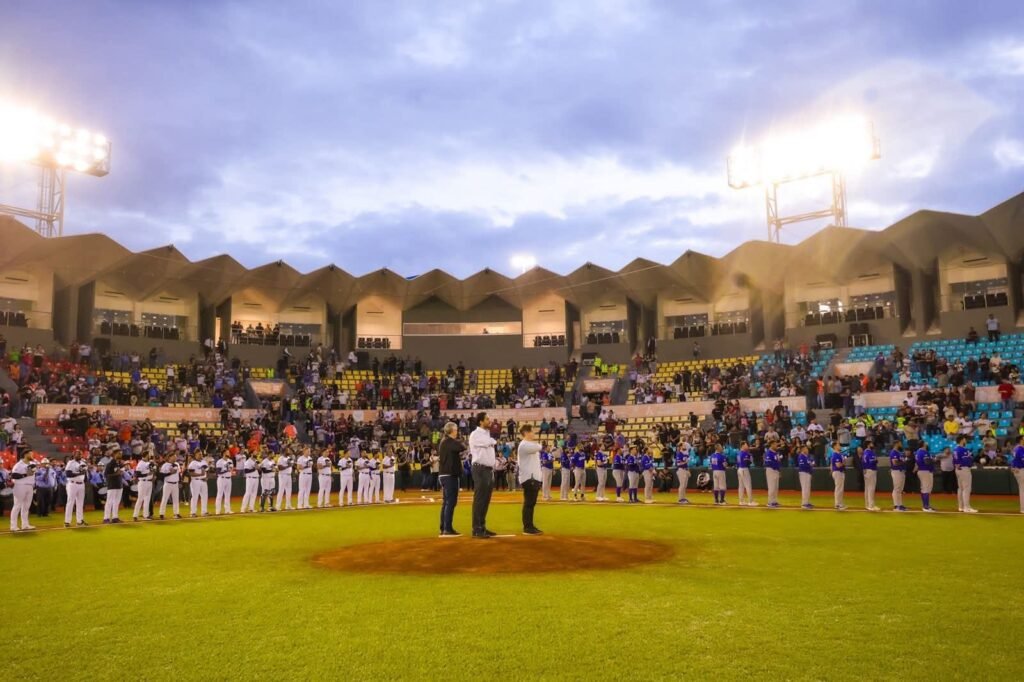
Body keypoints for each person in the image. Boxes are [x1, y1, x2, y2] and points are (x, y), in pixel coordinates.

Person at [468, 412, 497, 539]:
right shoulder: (475, 434)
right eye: (487, 419)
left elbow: (492, 442)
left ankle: (482, 526)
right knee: (480, 499)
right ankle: (476, 528)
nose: (489, 421)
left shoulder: (486, 434)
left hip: (488, 470)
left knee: (486, 499)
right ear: (480, 421)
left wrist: (491, 441)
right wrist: (490, 441)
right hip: (480, 469)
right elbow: (489, 442)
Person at [438, 422, 465, 536]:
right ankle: (447, 528)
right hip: (449, 475)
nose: (457, 432)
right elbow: (462, 447)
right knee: (450, 502)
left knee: (446, 502)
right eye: (456, 430)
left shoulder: (444, 442)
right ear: (451, 431)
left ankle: (444, 527)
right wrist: (460, 439)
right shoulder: (449, 441)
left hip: (445, 474)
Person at [516, 424, 543, 535]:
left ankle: (530, 526)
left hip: (532, 477)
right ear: (526, 433)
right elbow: (539, 447)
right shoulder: (524, 445)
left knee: (531, 503)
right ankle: (527, 527)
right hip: (529, 478)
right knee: (529, 503)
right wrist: (538, 444)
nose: (534, 433)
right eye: (532, 431)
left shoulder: (527, 445)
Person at [9, 450, 37, 531]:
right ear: (25, 454)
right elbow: (13, 475)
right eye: (30, 454)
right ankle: (13, 526)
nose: (32, 455)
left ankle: (25, 524)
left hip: (30, 486)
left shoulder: (32, 463)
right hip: (20, 485)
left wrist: (34, 487)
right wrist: (25, 474)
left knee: (26, 507)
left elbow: (32, 475)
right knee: (17, 506)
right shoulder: (19, 465)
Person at [953, 437, 977, 513]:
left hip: (958, 469)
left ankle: (961, 507)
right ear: (961, 440)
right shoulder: (963, 449)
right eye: (964, 439)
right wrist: (970, 458)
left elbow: (954, 461)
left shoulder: (955, 449)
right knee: (966, 488)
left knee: (960, 488)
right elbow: (967, 460)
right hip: (964, 469)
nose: (965, 440)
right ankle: (967, 507)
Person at [64, 451, 88, 527]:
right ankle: (67, 521)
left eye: (81, 454)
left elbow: (85, 473)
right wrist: (80, 473)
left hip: (81, 484)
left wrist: (84, 479)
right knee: (70, 502)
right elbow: (68, 474)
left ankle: (80, 521)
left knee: (80, 503)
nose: (80, 455)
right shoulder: (71, 463)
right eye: (78, 454)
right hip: (72, 484)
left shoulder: (83, 462)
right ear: (74, 455)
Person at [158, 453, 182, 519]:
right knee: (164, 499)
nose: (175, 458)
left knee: (176, 499)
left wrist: (180, 481)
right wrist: (170, 473)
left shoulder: (177, 464)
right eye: (173, 457)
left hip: (175, 484)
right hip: (168, 483)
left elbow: (179, 474)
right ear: (169, 457)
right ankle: (161, 513)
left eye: (175, 457)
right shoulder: (165, 465)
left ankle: (176, 513)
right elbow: (161, 475)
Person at [103, 451, 125, 524]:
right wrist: (116, 474)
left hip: (119, 484)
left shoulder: (119, 463)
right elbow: (106, 475)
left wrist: (120, 473)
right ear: (114, 454)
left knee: (116, 502)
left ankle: (115, 517)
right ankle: (106, 518)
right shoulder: (110, 464)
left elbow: (120, 473)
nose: (120, 454)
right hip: (112, 485)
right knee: (109, 502)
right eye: (119, 453)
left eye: (121, 453)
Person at [133, 452, 156, 521]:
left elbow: (153, 470)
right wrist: (147, 474)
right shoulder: (141, 463)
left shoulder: (149, 463)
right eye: (149, 456)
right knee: (140, 499)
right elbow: (138, 474)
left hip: (149, 482)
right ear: (145, 456)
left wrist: (153, 473)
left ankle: (146, 515)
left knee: (147, 499)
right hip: (143, 482)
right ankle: (135, 515)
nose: (150, 457)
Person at [187, 452, 210, 517]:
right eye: (199, 454)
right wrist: (200, 475)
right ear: (195, 455)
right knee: (195, 497)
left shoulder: (204, 462)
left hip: (203, 481)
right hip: (195, 481)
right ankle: (193, 512)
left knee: (205, 497)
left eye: (201, 454)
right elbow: (191, 473)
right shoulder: (193, 463)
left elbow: (207, 471)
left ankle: (204, 511)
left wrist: (206, 477)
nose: (201, 455)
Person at [915, 444, 936, 512]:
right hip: (925, 471)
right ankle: (925, 506)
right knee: (925, 488)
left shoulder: (918, 452)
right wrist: (933, 459)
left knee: (926, 488)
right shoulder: (923, 452)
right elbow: (927, 462)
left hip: (923, 471)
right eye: (925, 443)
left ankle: (926, 505)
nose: (927, 444)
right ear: (923, 444)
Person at [215, 450, 235, 515]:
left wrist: (232, 472)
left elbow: (231, 470)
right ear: (224, 453)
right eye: (227, 452)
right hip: (221, 479)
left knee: (227, 495)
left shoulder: (230, 461)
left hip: (229, 479)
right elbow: (218, 472)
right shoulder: (219, 461)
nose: (229, 453)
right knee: (220, 494)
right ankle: (218, 511)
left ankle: (227, 510)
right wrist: (226, 470)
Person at [861, 442, 880, 511]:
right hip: (871, 470)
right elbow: (872, 461)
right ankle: (871, 505)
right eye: (871, 444)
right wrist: (876, 460)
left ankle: (867, 504)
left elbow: (863, 463)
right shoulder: (870, 452)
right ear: (868, 445)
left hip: (866, 471)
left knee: (867, 489)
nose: (873, 445)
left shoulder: (864, 452)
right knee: (871, 488)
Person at [889, 444, 908, 512]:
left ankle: (900, 504)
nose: (900, 444)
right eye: (899, 443)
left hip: (901, 471)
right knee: (896, 488)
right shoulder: (893, 452)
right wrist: (903, 461)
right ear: (896, 444)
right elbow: (895, 463)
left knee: (900, 489)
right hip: (896, 471)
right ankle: (896, 506)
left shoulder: (899, 453)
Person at [829, 443, 846, 510]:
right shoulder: (835, 455)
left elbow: (831, 464)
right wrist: (843, 463)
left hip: (839, 472)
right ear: (835, 447)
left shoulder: (839, 454)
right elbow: (838, 465)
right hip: (838, 472)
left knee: (840, 488)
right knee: (838, 488)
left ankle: (840, 503)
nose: (840, 446)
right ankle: (837, 504)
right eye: (838, 445)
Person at [764, 440, 781, 508]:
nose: (776, 445)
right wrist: (776, 467)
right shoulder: (769, 453)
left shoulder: (775, 453)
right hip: (771, 470)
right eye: (775, 444)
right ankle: (770, 502)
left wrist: (778, 471)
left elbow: (778, 462)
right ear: (771, 445)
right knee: (771, 487)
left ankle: (774, 501)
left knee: (776, 487)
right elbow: (768, 463)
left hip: (776, 470)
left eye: (776, 444)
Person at [797, 445, 814, 509]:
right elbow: (802, 466)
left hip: (807, 473)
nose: (807, 450)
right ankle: (804, 504)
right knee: (805, 488)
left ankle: (807, 502)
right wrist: (810, 465)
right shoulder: (801, 456)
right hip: (803, 473)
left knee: (807, 488)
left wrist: (810, 467)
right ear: (803, 450)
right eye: (806, 449)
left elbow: (810, 464)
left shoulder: (806, 457)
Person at [1012, 436, 1024, 514]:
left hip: (1018, 469)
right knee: (1022, 489)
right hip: (1020, 470)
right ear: (1020, 441)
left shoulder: (1017, 448)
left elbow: (1013, 459)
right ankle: (1023, 508)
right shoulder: (1019, 449)